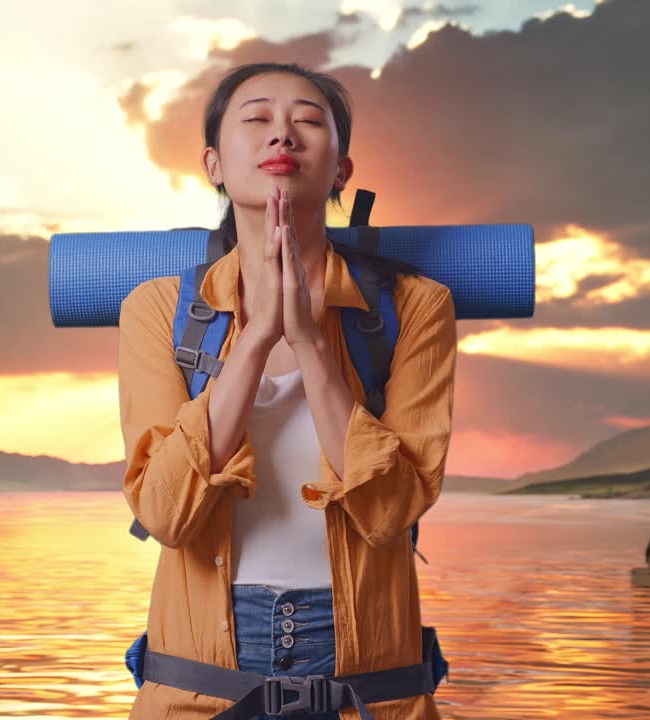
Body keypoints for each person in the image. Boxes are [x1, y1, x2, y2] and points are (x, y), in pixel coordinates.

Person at [117, 61, 458, 719]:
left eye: (307, 120)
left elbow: (392, 513)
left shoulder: (416, 308)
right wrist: (253, 340)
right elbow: (164, 513)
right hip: (197, 687)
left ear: (341, 171)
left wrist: (307, 341)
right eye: (256, 119)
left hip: (372, 691)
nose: (282, 135)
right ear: (213, 164)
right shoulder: (156, 311)